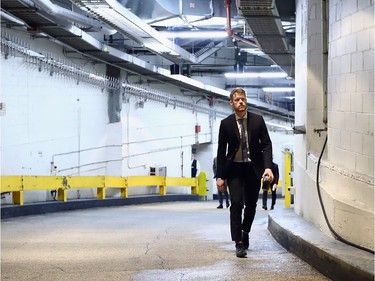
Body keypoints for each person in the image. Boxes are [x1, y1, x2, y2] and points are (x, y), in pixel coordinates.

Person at [216, 87, 274, 258]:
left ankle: (245, 230)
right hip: (234, 168)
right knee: (236, 203)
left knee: (251, 205)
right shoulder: (226, 124)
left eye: (243, 99)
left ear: (246, 100)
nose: (240, 102)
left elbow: (266, 145)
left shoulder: (258, 120)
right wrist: (220, 176)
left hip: (253, 168)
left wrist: (268, 167)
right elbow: (221, 151)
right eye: (237, 100)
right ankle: (238, 242)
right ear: (231, 103)